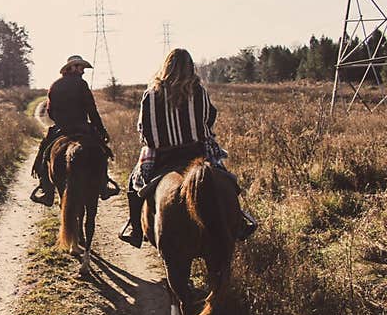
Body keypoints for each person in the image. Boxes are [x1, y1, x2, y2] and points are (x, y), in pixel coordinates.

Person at [119, 48, 257, 248]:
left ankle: (135, 229)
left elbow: (144, 130)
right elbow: (209, 118)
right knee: (226, 179)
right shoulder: (199, 91)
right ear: (190, 67)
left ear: (166, 66)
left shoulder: (151, 94)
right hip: (197, 151)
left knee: (134, 184)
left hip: (163, 155)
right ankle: (239, 221)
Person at [30, 55, 121, 206]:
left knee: (44, 154)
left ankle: (46, 191)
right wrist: (101, 130)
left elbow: (50, 112)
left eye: (83, 68)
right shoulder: (81, 83)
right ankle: (104, 185)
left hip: (61, 128)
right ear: (71, 68)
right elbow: (91, 110)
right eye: (80, 67)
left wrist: (61, 120)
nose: (83, 71)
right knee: (102, 151)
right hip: (82, 127)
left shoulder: (54, 85)